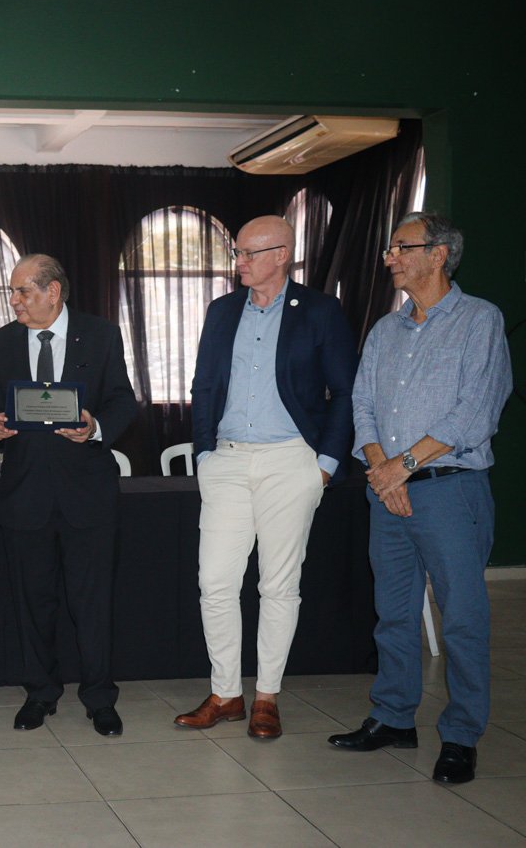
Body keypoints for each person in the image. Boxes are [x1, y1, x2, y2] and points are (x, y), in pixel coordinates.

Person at [329, 212, 511, 784]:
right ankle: (393, 717)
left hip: (451, 491)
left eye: (401, 247)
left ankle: (460, 735)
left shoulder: (480, 320)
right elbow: (362, 405)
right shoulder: (385, 330)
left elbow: (475, 413)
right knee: (394, 614)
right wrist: (384, 471)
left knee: (462, 620)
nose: (390, 257)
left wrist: (401, 468)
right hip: (388, 494)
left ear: (439, 254)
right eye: (390, 248)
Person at [176, 215, 356, 740]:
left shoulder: (320, 310)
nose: (240, 263)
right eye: (237, 253)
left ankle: (267, 698)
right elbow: (203, 386)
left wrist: (325, 464)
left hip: (291, 460)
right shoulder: (222, 311)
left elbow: (346, 391)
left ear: (282, 255)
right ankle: (226, 694)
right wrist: (204, 455)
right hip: (227, 461)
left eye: (249, 253)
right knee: (215, 582)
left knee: (279, 584)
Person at [0, 254, 137, 736]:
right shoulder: (0, 343)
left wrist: (96, 427)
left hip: (88, 496)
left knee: (93, 604)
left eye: (22, 291)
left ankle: (100, 698)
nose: (14, 301)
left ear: (53, 291)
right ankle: (40, 693)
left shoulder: (101, 334)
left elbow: (123, 399)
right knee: (32, 604)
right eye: (12, 291)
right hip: (25, 495)